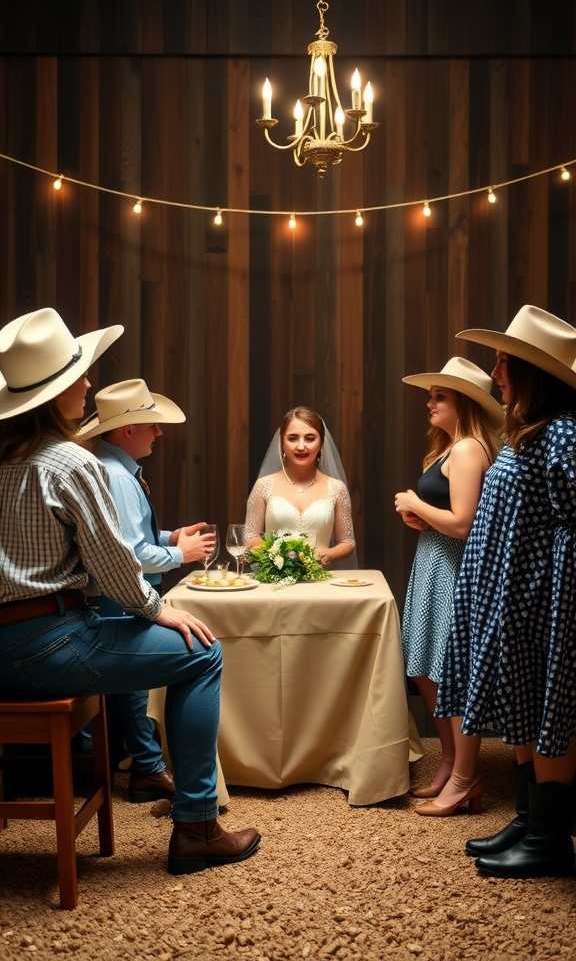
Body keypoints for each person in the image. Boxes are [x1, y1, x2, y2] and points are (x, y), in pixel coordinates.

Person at [0, 307, 260, 875]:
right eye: (80, 375)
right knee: (204, 652)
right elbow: (117, 569)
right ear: (58, 390)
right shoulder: (71, 463)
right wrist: (158, 608)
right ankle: (196, 827)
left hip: (4, 651)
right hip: (50, 648)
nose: (89, 384)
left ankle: (152, 775)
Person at [435, 304, 576, 878]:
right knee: (522, 703)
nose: (495, 375)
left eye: (503, 364)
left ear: (532, 373)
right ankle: (528, 817)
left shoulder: (564, 433)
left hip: (542, 596)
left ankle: (548, 839)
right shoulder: (532, 431)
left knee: (548, 707)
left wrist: (554, 599)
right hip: (513, 593)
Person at [79, 378, 216, 803]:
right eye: (151, 424)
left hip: (117, 593)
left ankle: (144, 766)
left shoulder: (119, 470)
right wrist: (182, 555)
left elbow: (136, 535)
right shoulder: (118, 478)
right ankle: (149, 769)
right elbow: (129, 555)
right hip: (118, 595)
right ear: (127, 431)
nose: (159, 432)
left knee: (131, 689)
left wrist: (173, 536)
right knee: (137, 689)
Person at [394, 358, 503, 813]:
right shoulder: (449, 447)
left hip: (455, 568)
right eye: (431, 395)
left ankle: (465, 776)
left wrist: (416, 501)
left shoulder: (467, 449)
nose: (430, 402)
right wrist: (421, 519)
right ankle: (452, 761)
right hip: (433, 563)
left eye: (440, 396)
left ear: (465, 403)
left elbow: (462, 524)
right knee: (422, 666)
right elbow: (451, 518)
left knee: (448, 670)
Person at [245, 406, 356, 569]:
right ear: (282, 442)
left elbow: (347, 541)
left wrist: (327, 554)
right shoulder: (264, 485)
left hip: (320, 579)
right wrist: (276, 556)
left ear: (322, 443)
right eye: (293, 438)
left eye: (310, 438)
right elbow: (250, 535)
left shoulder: (336, 488)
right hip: (273, 581)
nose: (301, 446)